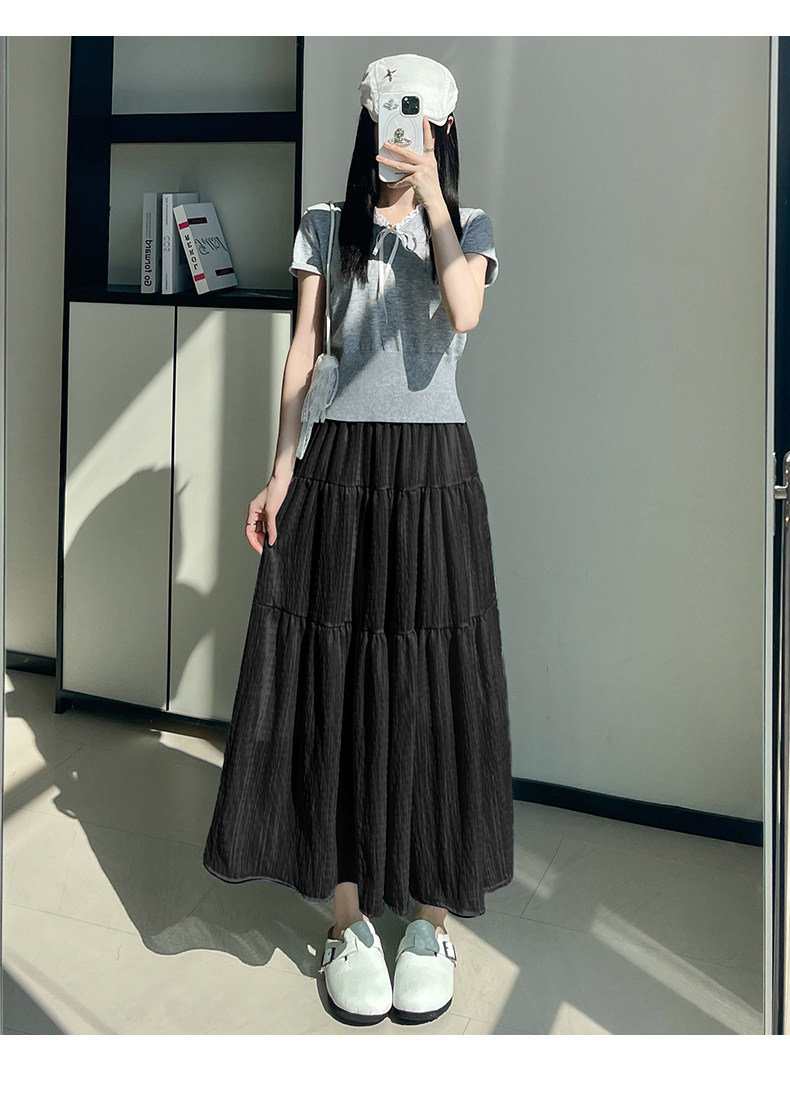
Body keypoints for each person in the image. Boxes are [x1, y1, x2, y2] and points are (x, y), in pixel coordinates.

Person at [202, 53, 514, 1028]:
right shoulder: (324, 225)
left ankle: (429, 916)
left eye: (419, 121)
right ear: (368, 122)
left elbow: (464, 313)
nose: (401, 134)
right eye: (388, 118)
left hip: (432, 478)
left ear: (443, 130)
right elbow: (305, 351)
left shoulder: (469, 228)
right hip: (339, 467)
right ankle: (348, 920)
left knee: (432, 688)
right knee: (332, 682)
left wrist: (432, 200)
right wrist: (281, 469)